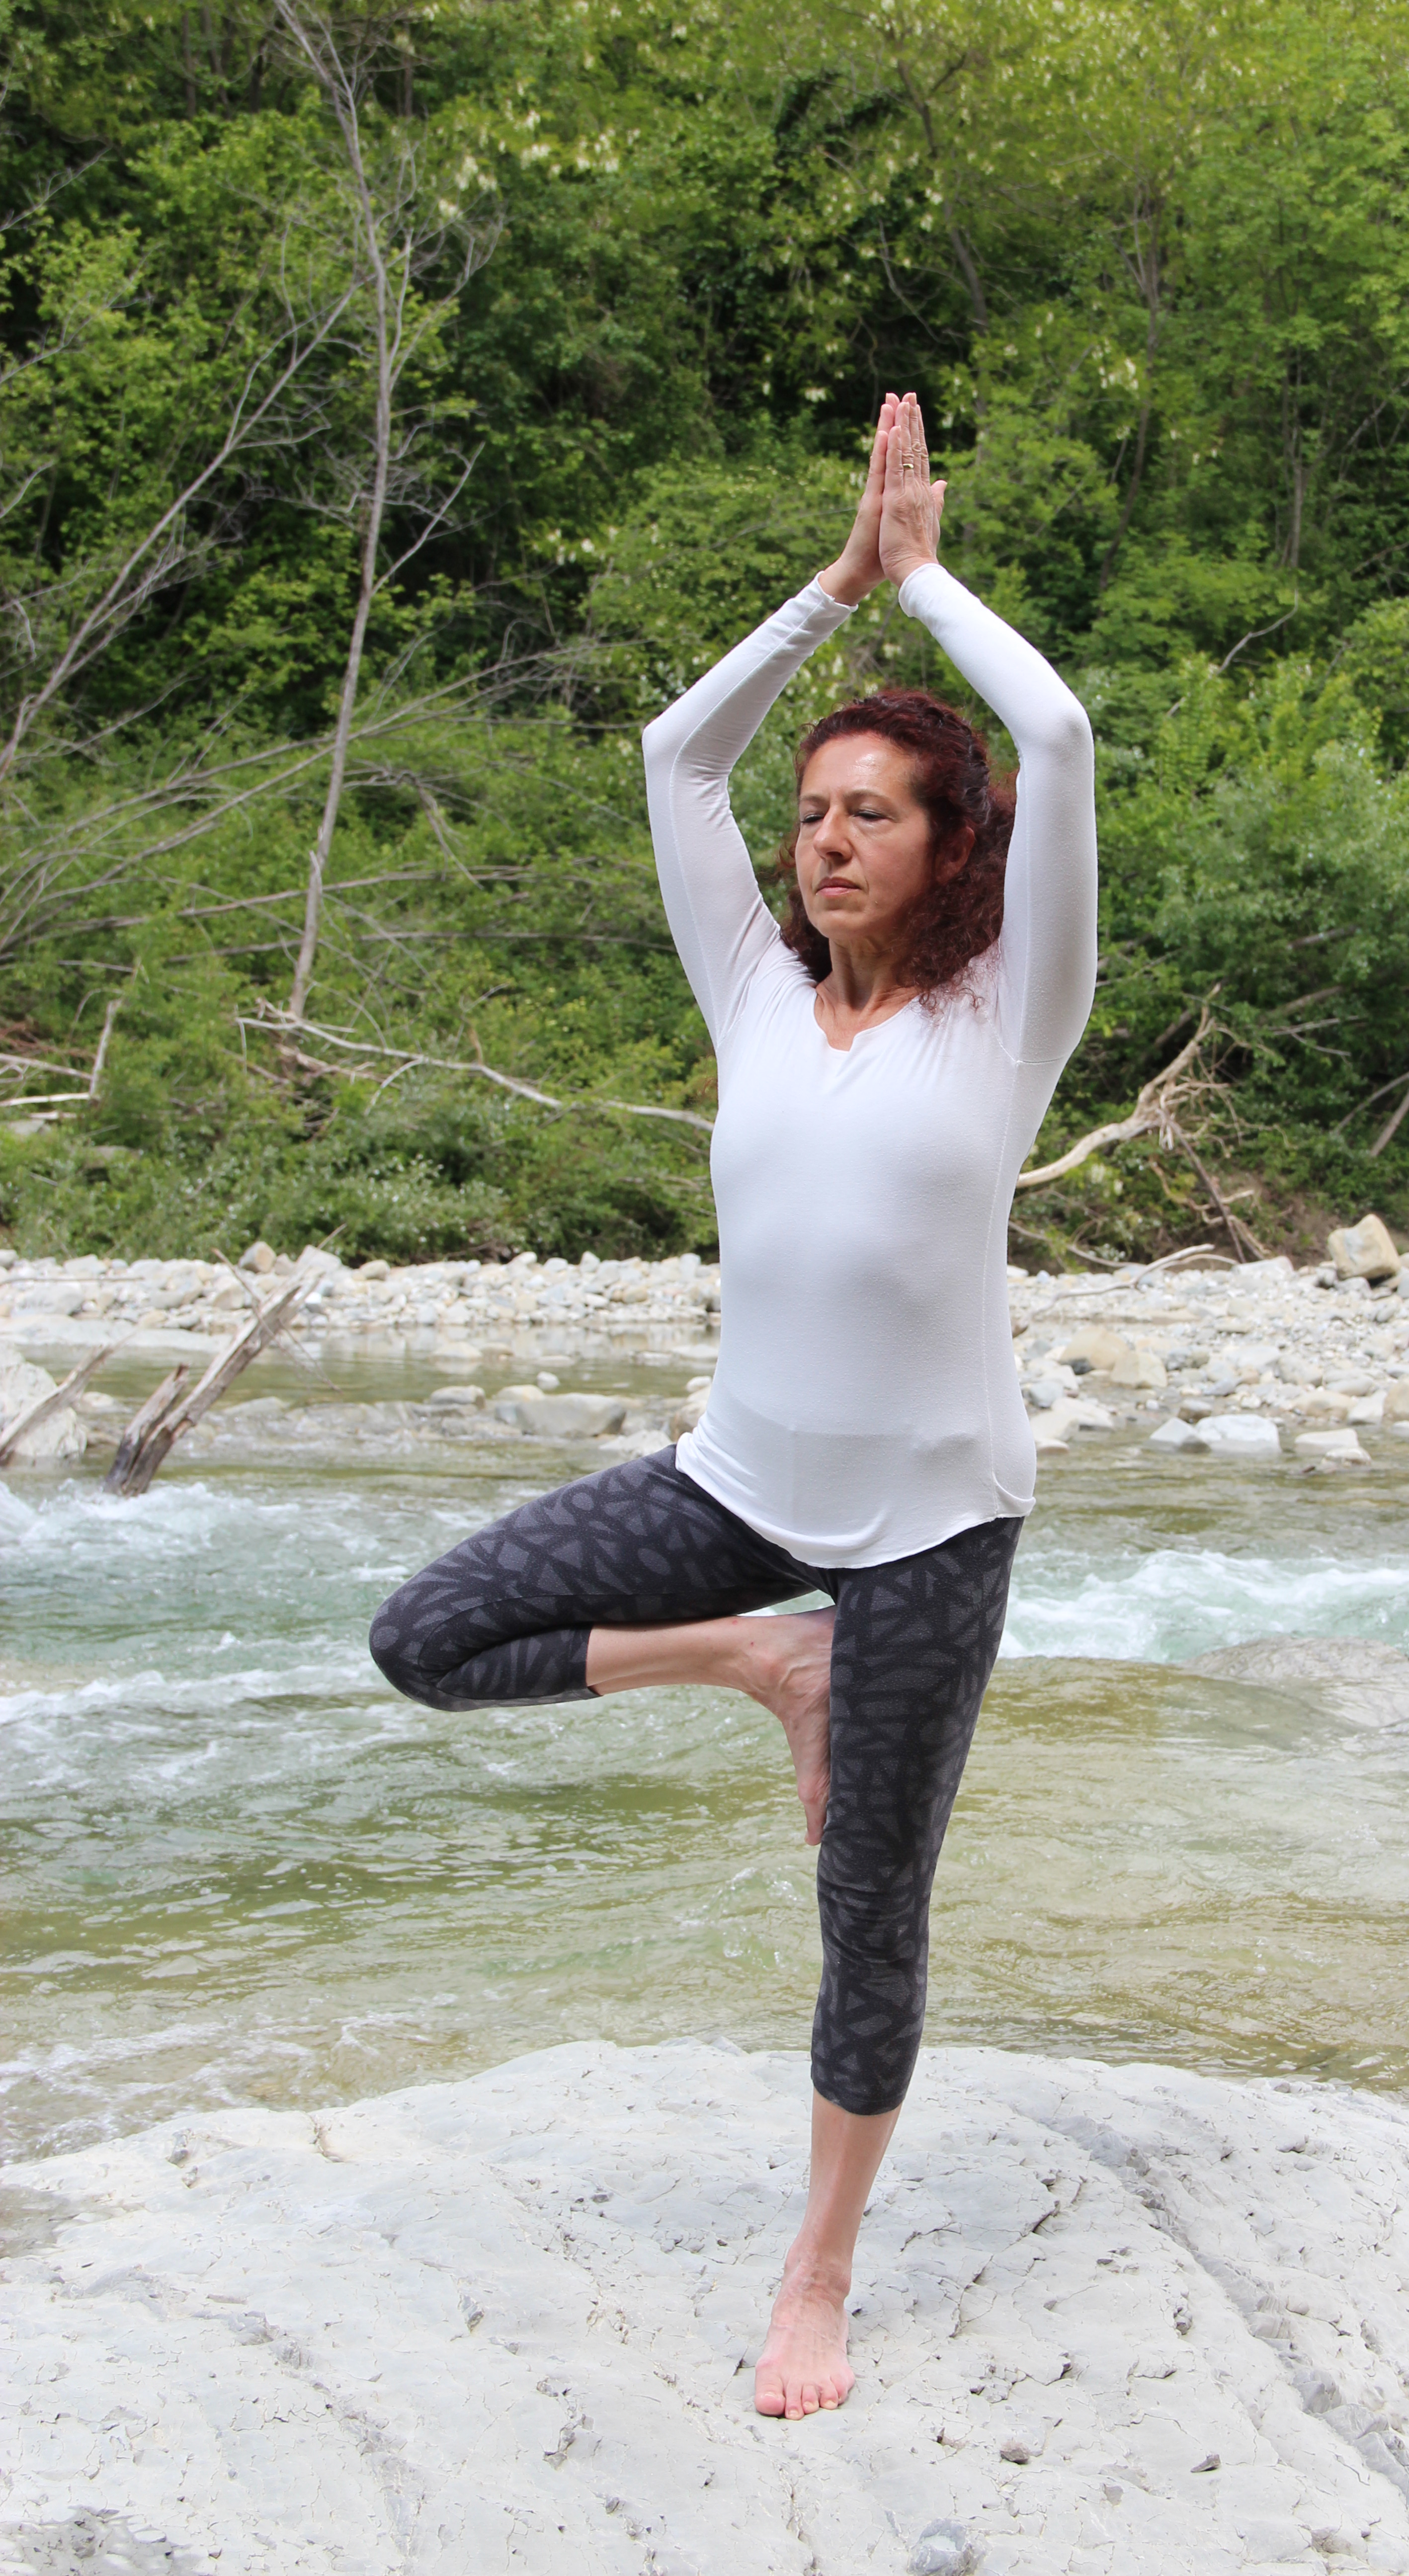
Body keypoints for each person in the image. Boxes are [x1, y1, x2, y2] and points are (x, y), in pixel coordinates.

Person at [368, 390, 1097, 2422]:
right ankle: (761, 1664)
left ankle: (817, 2273)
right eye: (816, 814)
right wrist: (825, 593)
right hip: (737, 1494)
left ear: (955, 851)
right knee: (425, 1637)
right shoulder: (757, 994)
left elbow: (1060, 740)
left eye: (875, 812)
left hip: (940, 1522)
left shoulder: (1007, 1014)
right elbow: (666, 752)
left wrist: (927, 580)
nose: (830, 838)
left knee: (869, 1911)